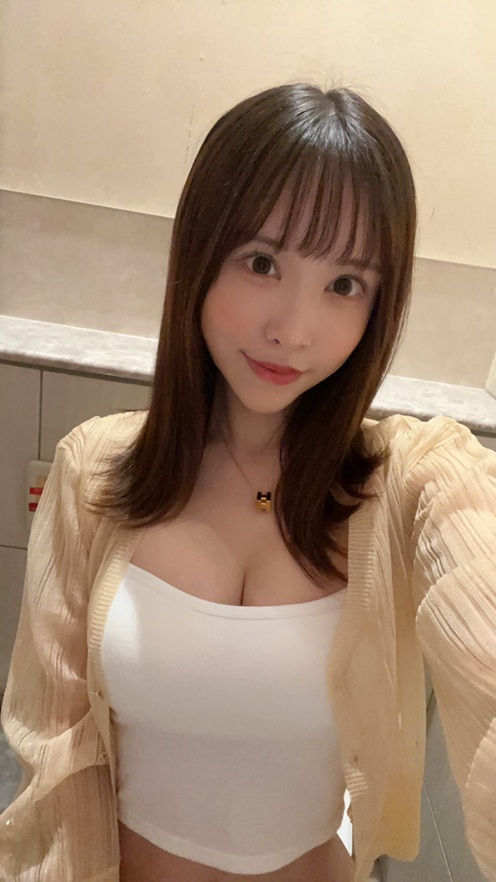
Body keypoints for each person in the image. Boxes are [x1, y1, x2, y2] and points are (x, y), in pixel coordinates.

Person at [0, 82, 495, 882]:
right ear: (200, 256)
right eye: (262, 263)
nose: (293, 330)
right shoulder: (92, 472)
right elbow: (55, 752)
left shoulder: (404, 482)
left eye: (345, 284)